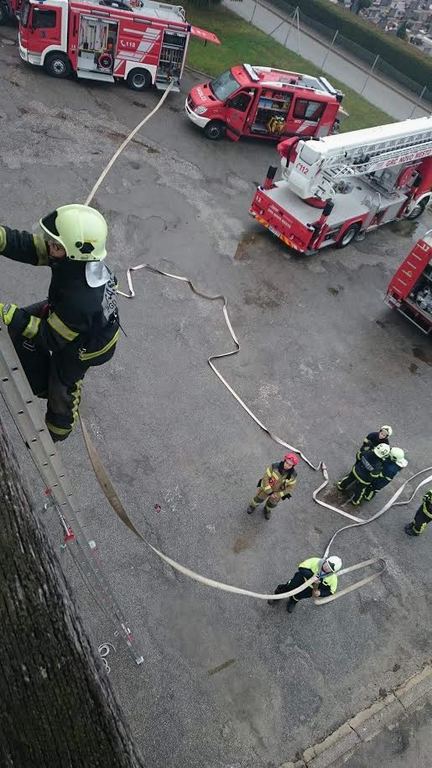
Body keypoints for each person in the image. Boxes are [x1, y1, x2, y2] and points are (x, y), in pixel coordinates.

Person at [0, 204, 120, 442]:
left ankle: (58, 430)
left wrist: (8, 312)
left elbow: (49, 337)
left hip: (85, 346)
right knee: (18, 326)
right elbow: (30, 247)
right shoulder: (75, 260)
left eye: (55, 244)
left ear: (74, 251)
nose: (49, 245)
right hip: (66, 316)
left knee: (62, 383)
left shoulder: (81, 300)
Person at [268, 555, 342, 613]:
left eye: (329, 569)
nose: (326, 567)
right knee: (289, 587)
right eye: (327, 564)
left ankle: (292, 601)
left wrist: (320, 593)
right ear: (326, 560)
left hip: (309, 590)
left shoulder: (333, 579)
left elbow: (331, 591)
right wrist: (311, 577)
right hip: (300, 579)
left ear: (333, 572)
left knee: (300, 596)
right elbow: (301, 567)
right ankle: (277, 596)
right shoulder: (315, 561)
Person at [247, 452, 298, 520]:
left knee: (272, 504)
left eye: (290, 465)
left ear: (293, 466)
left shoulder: (293, 475)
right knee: (258, 499)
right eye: (286, 463)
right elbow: (265, 478)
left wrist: (278, 495)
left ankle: (267, 510)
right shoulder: (274, 466)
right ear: (284, 460)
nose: (287, 465)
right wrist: (270, 492)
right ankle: (252, 506)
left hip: (277, 494)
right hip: (266, 488)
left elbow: (290, 488)